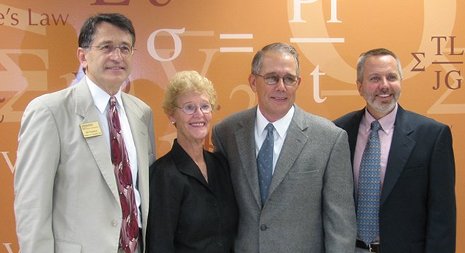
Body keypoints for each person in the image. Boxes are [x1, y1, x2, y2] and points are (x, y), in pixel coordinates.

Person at [14, 13, 156, 253]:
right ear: (83, 56)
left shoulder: (142, 113)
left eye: (125, 48)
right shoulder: (50, 112)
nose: (117, 56)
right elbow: (31, 206)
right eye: (106, 47)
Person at [212, 42, 356, 252]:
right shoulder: (227, 132)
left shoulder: (330, 138)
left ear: (298, 83)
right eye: (271, 78)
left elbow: (340, 224)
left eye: (289, 79)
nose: (281, 87)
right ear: (253, 81)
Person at [334, 48, 456, 253]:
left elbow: (442, 216)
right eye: (374, 78)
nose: (384, 85)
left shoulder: (432, 136)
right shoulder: (338, 132)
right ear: (360, 87)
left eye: (392, 77)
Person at [146, 71, 238, 253]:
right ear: (172, 115)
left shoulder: (221, 165)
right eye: (189, 107)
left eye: (205, 106)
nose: (199, 114)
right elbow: (159, 245)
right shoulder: (163, 174)